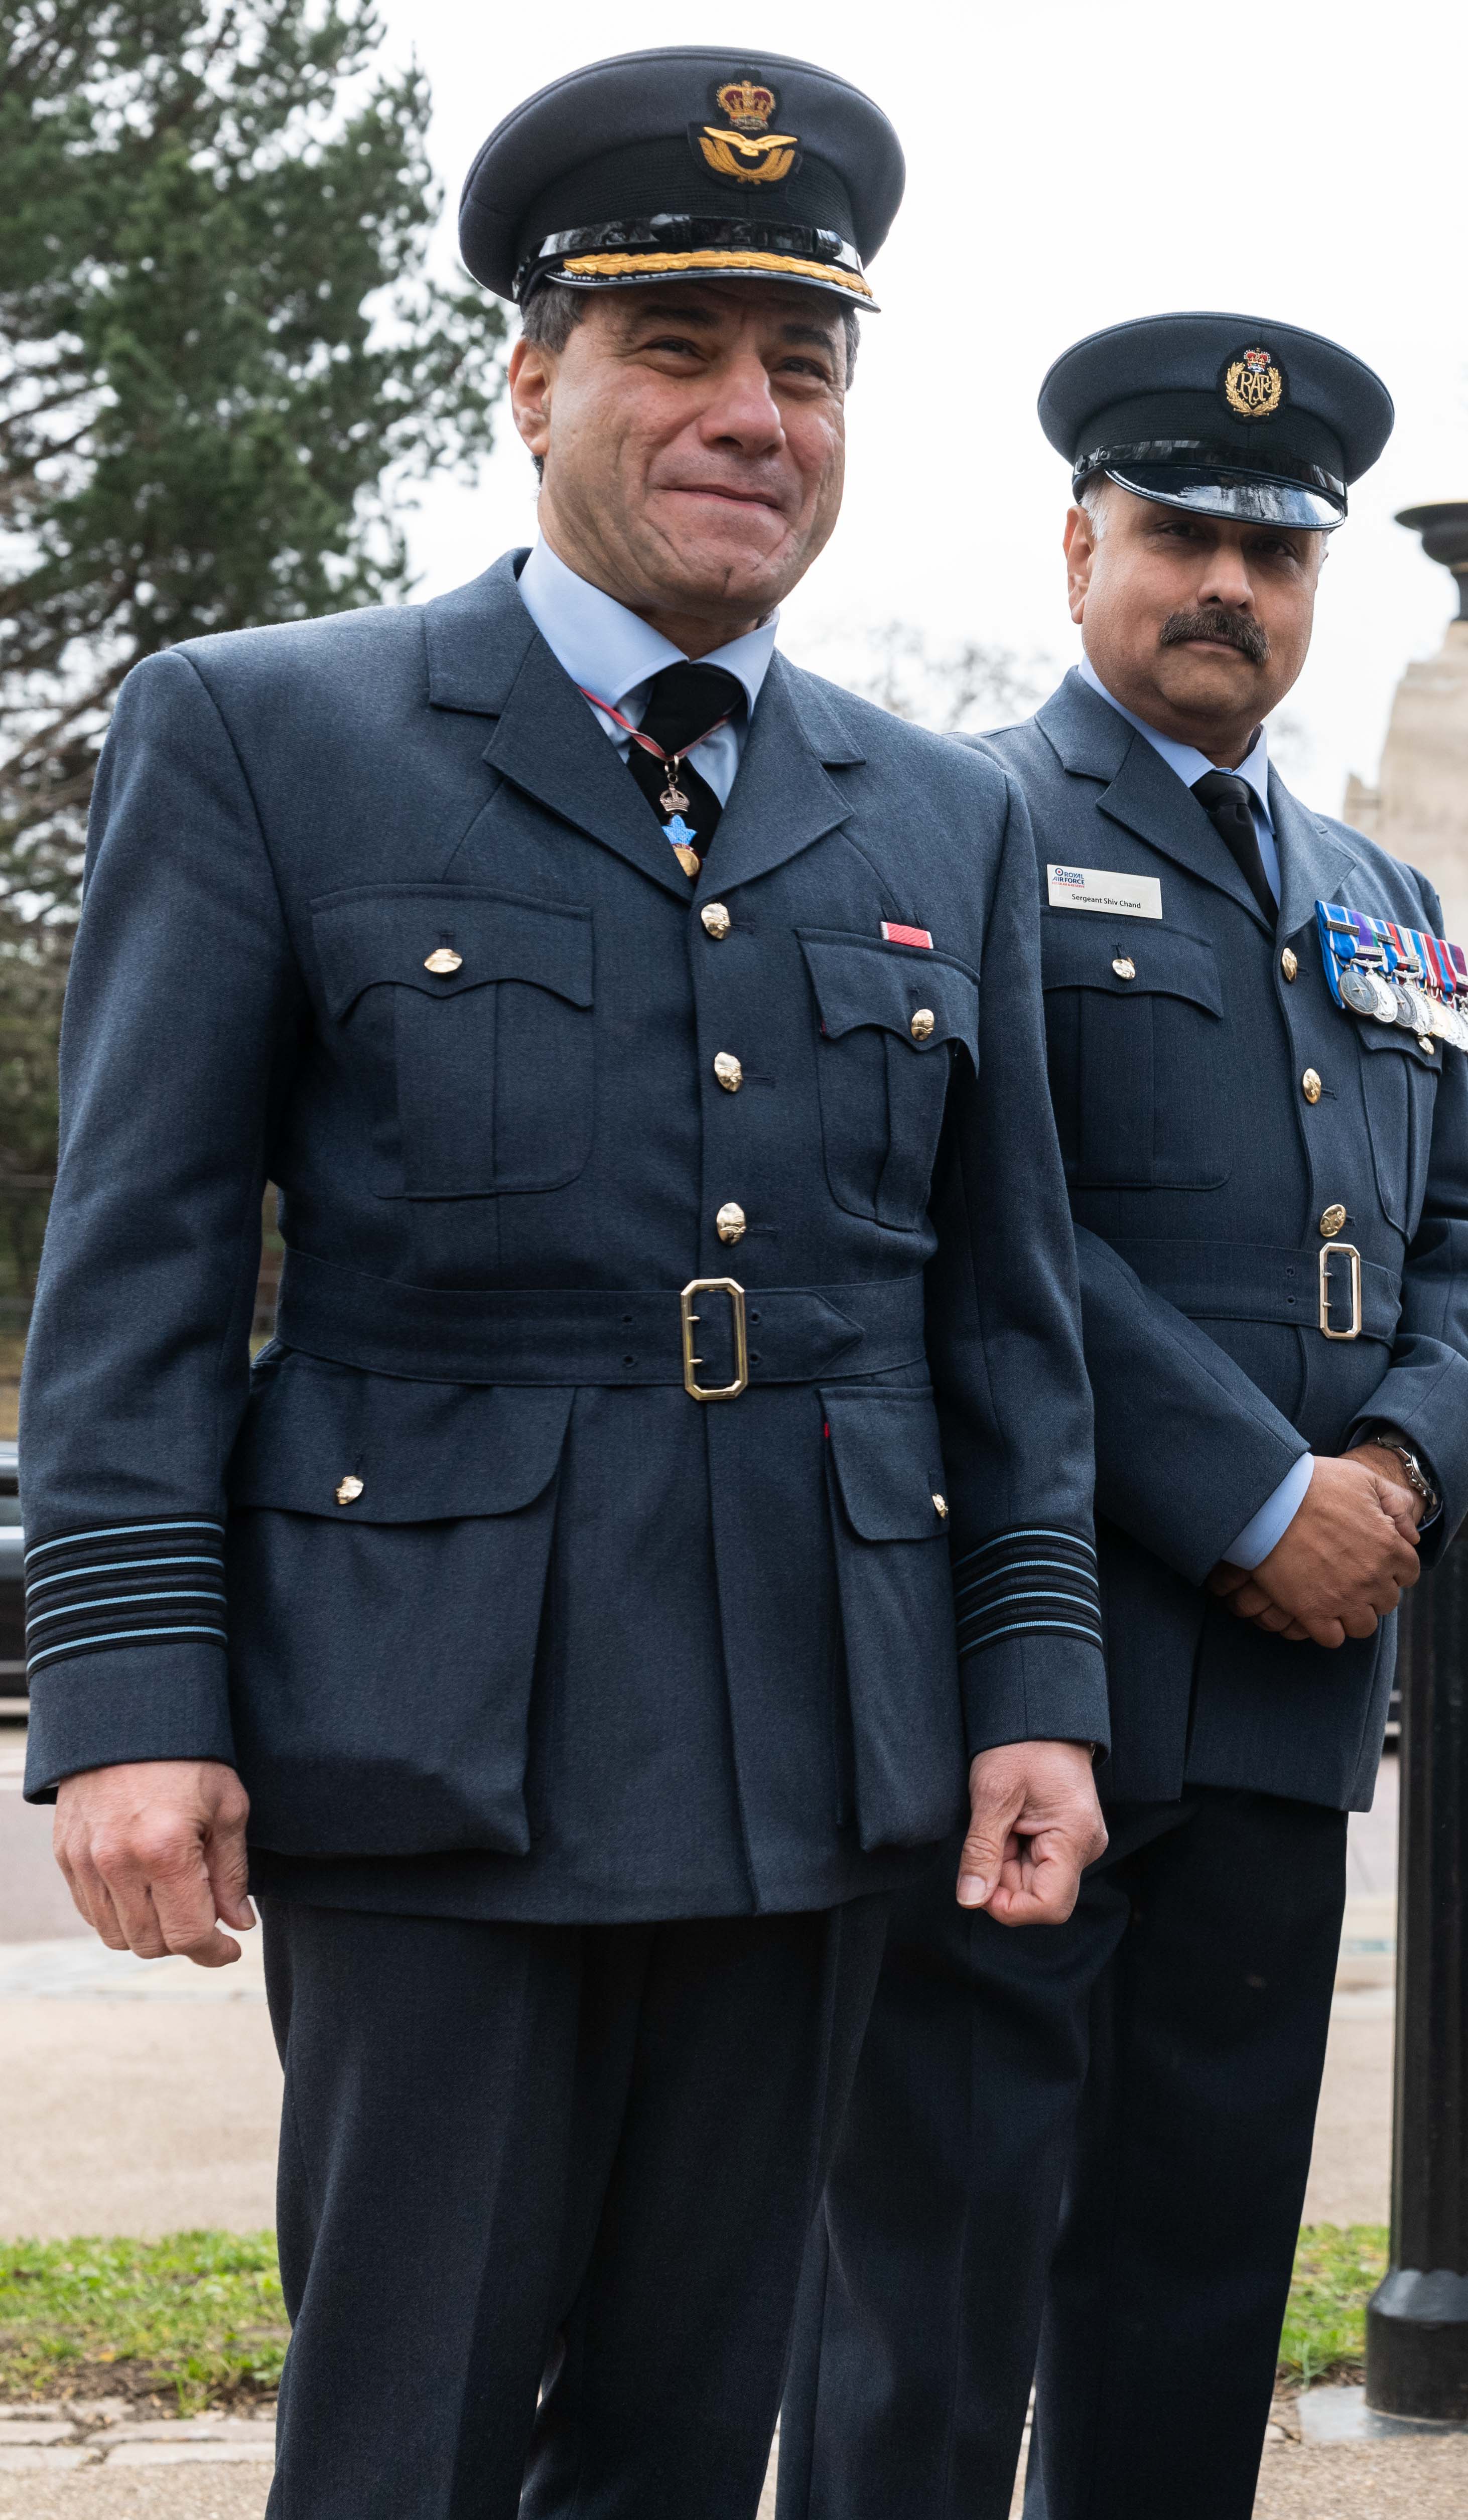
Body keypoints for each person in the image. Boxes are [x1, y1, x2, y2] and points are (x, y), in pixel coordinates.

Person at [19, 48, 1110, 2516]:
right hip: (439, 1733)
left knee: (685, 2424)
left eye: (800, 366)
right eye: (680, 350)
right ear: (537, 385)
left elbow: (999, 1316)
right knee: (402, 2427)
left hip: (814, 1740)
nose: (752, 413)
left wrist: (1031, 1685)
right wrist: (122, 1695)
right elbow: (145, 1272)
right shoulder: (270, 734)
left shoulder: (946, 813)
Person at [783, 314, 1468, 2520]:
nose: (1231, 586)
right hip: (1043, 1665)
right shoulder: (966, 820)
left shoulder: (1380, 896)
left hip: (1295, 1701)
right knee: (935, 2273)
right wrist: (1254, 1488)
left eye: (1278, 553)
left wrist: (1398, 1465)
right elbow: (963, 1221)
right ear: (1080, 542)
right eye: (1185, 536)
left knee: (1194, 2281)